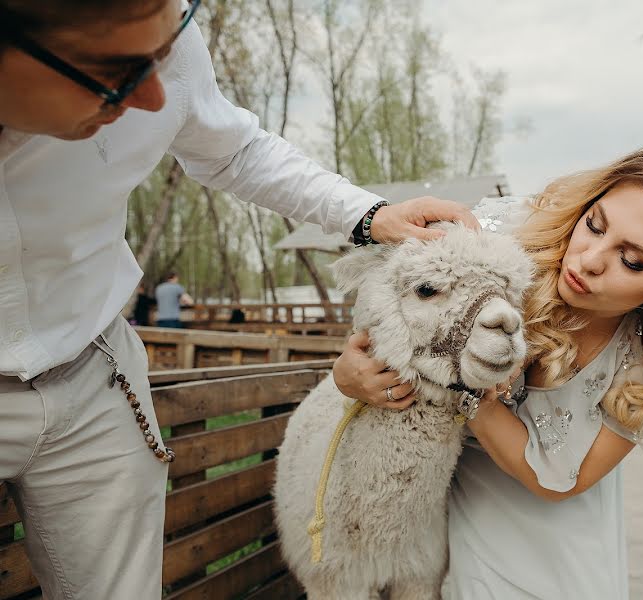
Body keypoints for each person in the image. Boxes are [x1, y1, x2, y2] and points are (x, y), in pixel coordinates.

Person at [0, 1, 477, 599]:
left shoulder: (158, 34)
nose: (154, 101)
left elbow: (230, 147)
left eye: (163, 52)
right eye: (116, 74)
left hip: (92, 365)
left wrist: (367, 213)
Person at [333, 142, 643, 599]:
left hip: (559, 550)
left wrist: (463, 385)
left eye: (632, 261)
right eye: (594, 225)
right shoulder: (499, 256)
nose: (589, 259)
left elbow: (562, 482)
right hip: (441, 521)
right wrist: (348, 375)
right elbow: (395, 312)